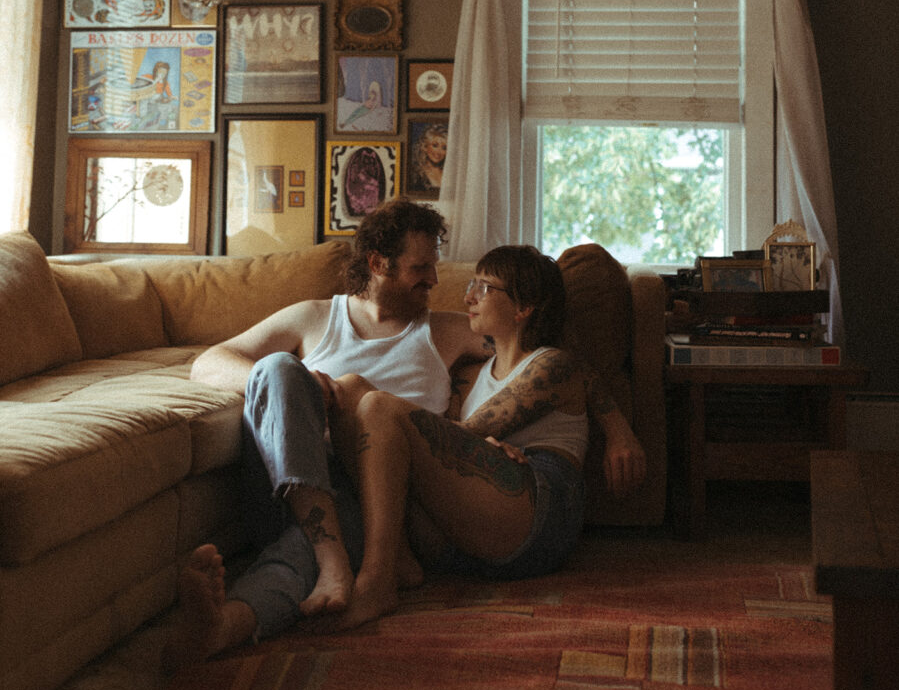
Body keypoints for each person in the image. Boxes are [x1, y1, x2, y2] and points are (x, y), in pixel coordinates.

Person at [165, 207, 646, 666]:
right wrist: (304, 386)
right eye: (422, 267)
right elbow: (208, 362)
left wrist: (615, 426)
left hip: (367, 496)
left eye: (444, 270)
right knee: (279, 369)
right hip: (286, 474)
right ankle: (345, 557)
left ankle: (226, 625)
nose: (441, 282)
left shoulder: (449, 332)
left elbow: (558, 358)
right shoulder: (312, 317)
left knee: (312, 539)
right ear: (378, 263)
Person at [319, 245, 612, 630]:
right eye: (472, 284)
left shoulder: (550, 364)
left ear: (523, 307)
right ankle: (402, 556)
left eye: (484, 288)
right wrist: (473, 446)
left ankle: (378, 578)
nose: (468, 296)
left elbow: (466, 434)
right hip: (472, 527)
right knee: (350, 388)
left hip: (539, 517)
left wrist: (618, 429)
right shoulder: (471, 375)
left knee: (378, 407)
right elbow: (450, 451)